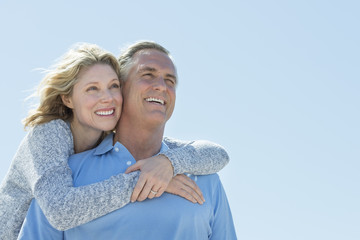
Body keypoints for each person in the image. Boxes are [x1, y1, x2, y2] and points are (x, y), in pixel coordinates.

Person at [0, 43, 230, 240]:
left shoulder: (197, 175)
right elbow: (61, 211)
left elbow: (216, 154)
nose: (107, 98)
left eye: (113, 87)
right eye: (92, 89)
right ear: (68, 98)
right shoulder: (51, 142)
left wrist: (167, 163)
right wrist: (147, 180)